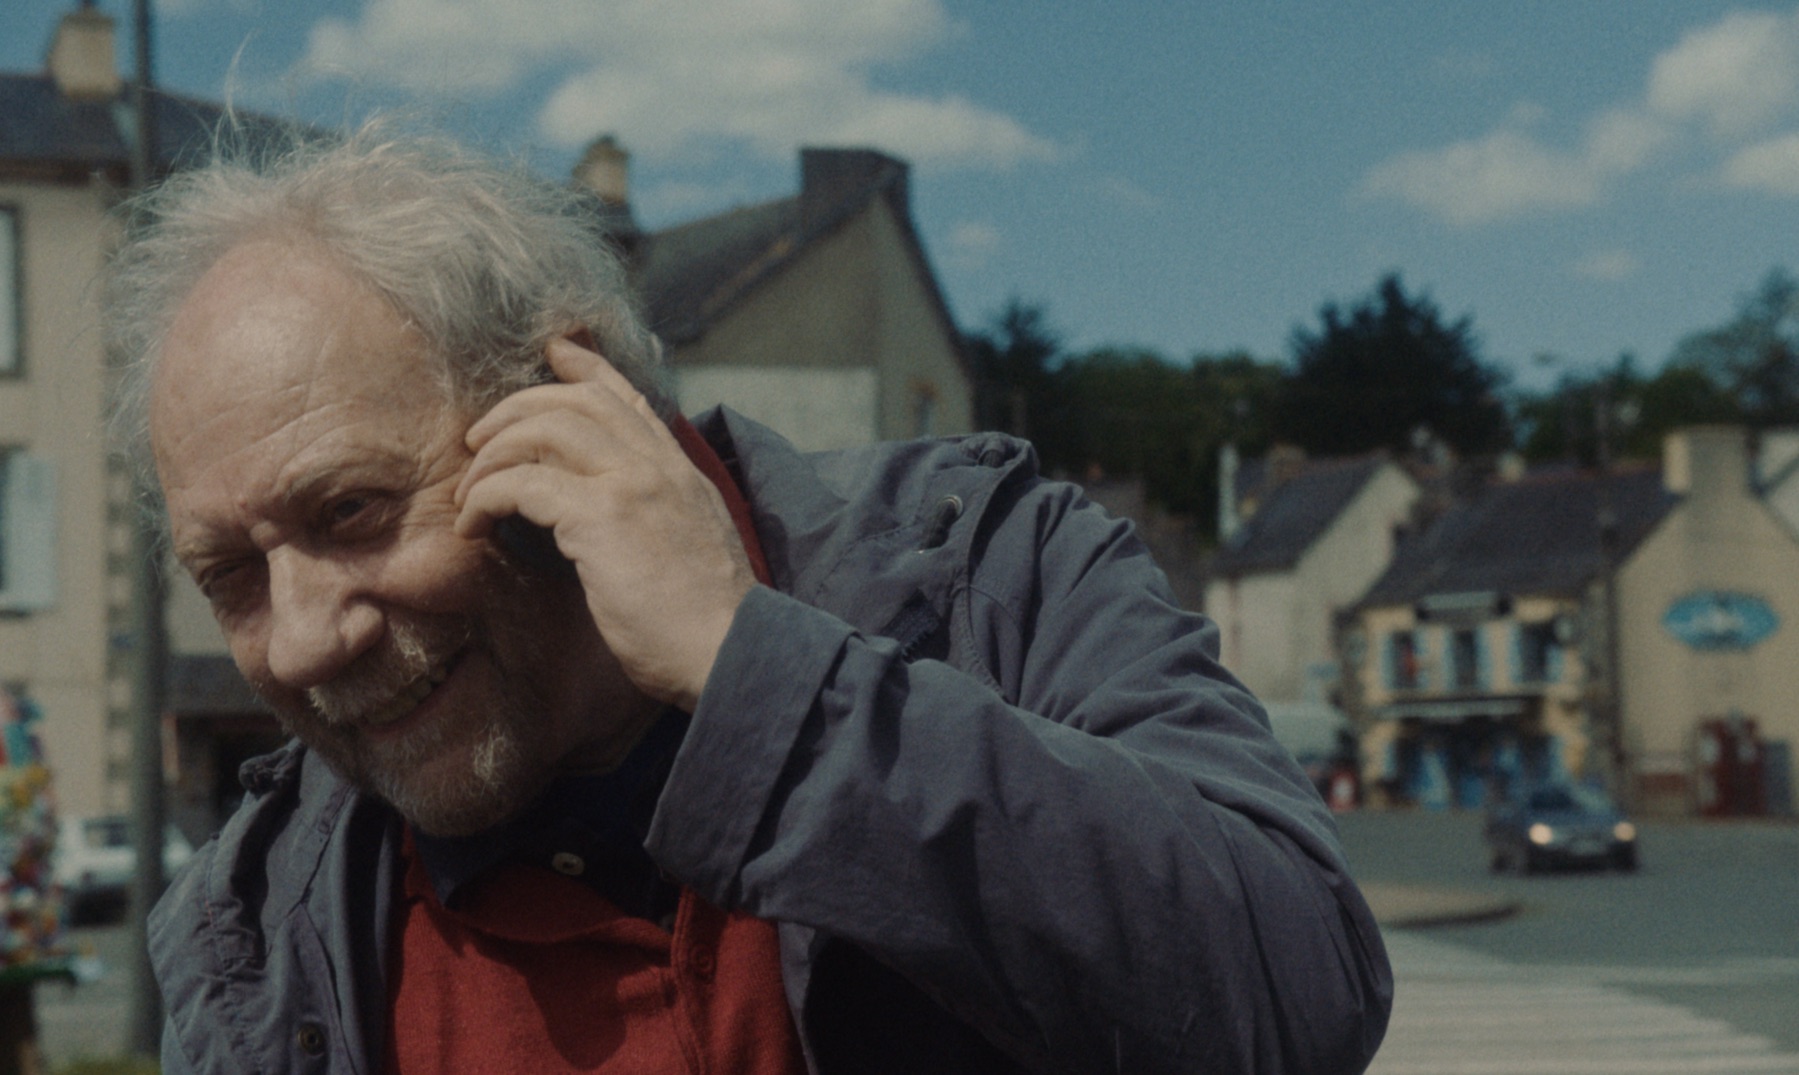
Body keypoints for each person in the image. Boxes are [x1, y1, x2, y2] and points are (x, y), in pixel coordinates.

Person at [108, 118, 1392, 1074]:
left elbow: (1298, 992)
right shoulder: (257, 929)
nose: (301, 637)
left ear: (581, 405)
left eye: (352, 512)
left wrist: (755, 675)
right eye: (231, 573)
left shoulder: (981, 572)